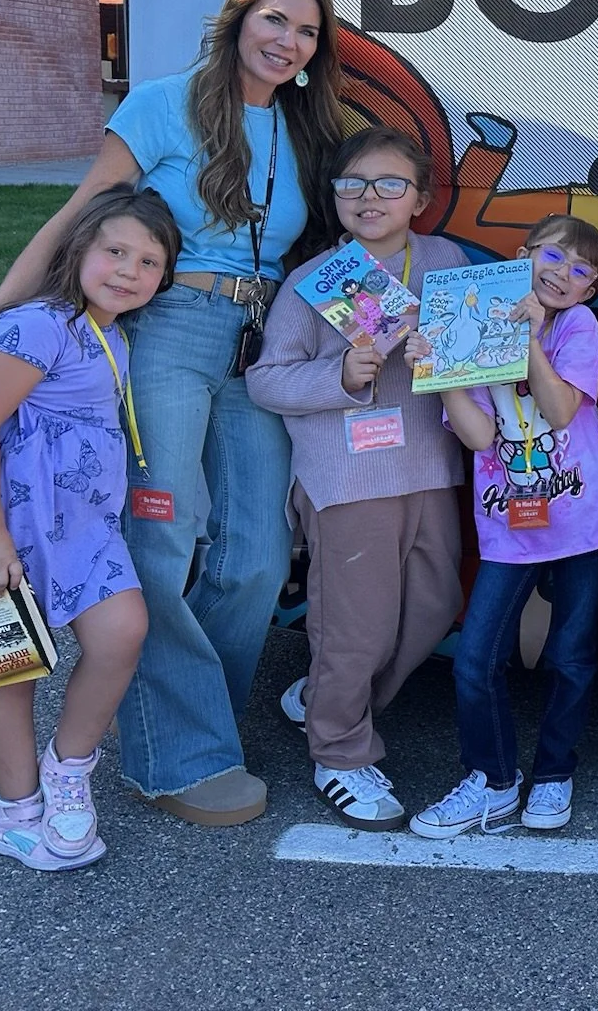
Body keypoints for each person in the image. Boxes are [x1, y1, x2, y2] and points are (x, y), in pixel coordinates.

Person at [0, 0, 343, 826]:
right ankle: (175, 756)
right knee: (163, 541)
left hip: (260, 340)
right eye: (275, 19)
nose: (288, 41)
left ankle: (194, 724)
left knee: (256, 556)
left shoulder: (303, 130)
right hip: (171, 328)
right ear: (238, 18)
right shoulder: (164, 103)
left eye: (307, 31)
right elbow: (83, 213)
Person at [0, 185, 180, 869]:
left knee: (122, 631)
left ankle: (68, 770)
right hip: (3, 531)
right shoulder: (38, 324)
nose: (129, 271)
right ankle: (15, 812)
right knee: (8, 674)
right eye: (115, 252)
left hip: (82, 532)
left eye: (149, 262)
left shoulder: (113, 334)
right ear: (77, 251)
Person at [246, 128, 467, 830]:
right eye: (353, 184)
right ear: (334, 195)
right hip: (348, 476)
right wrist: (339, 374)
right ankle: (338, 751)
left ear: (420, 199)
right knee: (357, 629)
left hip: (429, 465)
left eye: (390, 184)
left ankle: (326, 696)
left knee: (433, 608)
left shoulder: (444, 259)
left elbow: (473, 348)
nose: (370, 197)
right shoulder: (314, 280)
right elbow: (266, 379)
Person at [410, 216, 598, 837]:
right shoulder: (475, 322)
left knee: (571, 656)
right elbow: (479, 437)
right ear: (522, 255)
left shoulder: (578, 326)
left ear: (590, 290)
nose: (562, 274)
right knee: (475, 659)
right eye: (552, 257)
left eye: (580, 270)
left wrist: (528, 339)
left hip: (584, 519)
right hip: (509, 523)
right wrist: (443, 374)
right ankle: (493, 779)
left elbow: (559, 410)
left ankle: (554, 772)